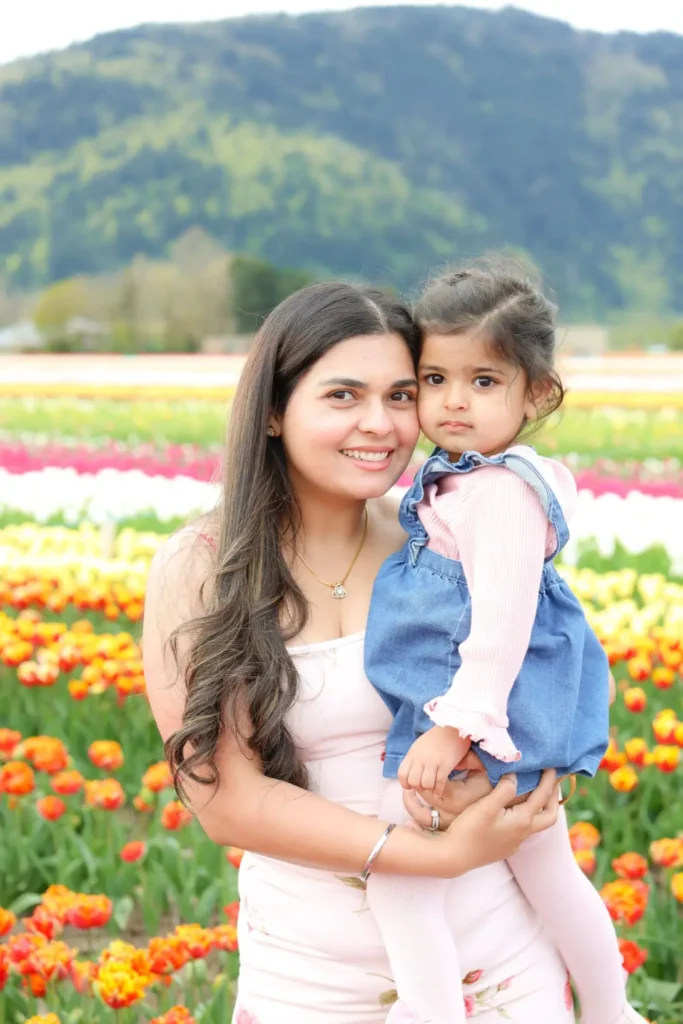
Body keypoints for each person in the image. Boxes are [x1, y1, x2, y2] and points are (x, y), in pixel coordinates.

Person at [142, 281, 570, 1024]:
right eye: (343, 395)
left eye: (402, 394)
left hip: (498, 967)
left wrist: (524, 783)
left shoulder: (445, 542)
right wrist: (436, 855)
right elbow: (227, 803)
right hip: (311, 978)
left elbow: (541, 699)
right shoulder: (204, 567)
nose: (380, 424)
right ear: (274, 410)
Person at [364, 261, 645, 1024]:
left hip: (480, 723)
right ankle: (613, 1012)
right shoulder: (457, 479)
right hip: (489, 722)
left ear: (536, 392)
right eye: (433, 378)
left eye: (483, 381)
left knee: (398, 878)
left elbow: (499, 626)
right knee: (549, 874)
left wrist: (454, 728)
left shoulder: (500, 496)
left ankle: (432, 1013)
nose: (453, 401)